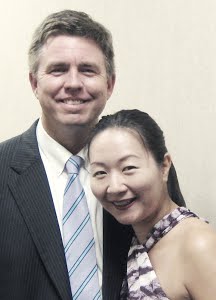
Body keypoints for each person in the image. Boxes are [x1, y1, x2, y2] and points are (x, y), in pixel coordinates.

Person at [0, 10, 132, 300]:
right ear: (34, 83)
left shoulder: (143, 168)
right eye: (58, 69)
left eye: (87, 70)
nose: (73, 83)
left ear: (109, 84)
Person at [87, 109, 216, 300]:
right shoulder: (129, 242)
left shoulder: (199, 245)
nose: (114, 187)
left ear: (164, 166)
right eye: (100, 173)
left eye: (128, 168)